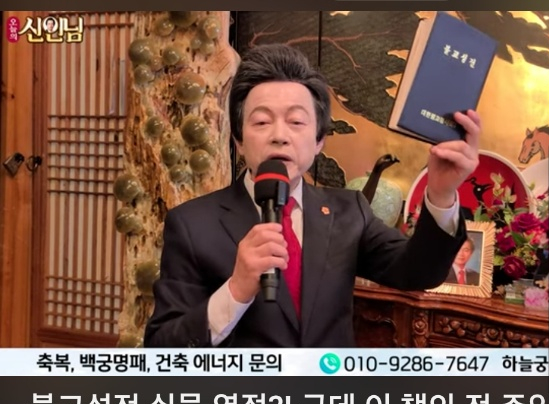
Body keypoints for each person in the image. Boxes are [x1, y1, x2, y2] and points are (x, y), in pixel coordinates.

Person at [144, 43, 481, 348]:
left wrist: (442, 193)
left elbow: (419, 273)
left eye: (296, 122)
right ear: (238, 141)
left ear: (319, 141)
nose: (279, 135)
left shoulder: (349, 211)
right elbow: (163, 347)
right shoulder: (192, 224)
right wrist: (236, 290)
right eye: (261, 122)